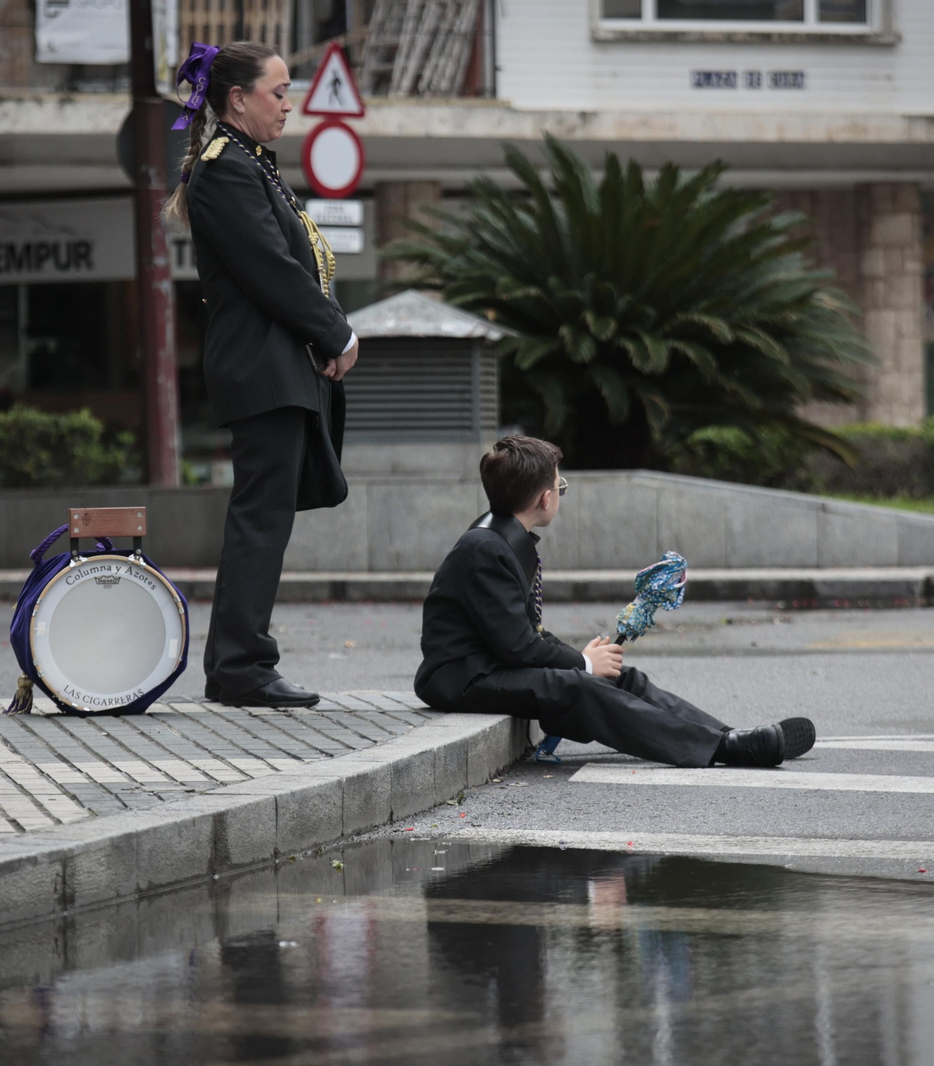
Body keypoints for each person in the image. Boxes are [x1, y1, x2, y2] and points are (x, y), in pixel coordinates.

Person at [415, 436, 816, 767]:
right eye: (560, 487)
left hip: (491, 665)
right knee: (579, 686)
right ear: (544, 499)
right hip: (462, 679)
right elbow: (518, 646)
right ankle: (722, 750)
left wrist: (585, 660)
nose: (560, 493)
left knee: (622, 677)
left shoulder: (499, 537)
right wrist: (583, 665)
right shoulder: (485, 548)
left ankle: (727, 735)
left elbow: (524, 634)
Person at [164, 42, 359, 709]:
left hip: (279, 366)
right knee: (260, 517)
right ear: (239, 98)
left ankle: (241, 662)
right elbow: (272, 269)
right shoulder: (225, 170)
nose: (289, 104)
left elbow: (291, 263)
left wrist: (321, 335)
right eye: (279, 92)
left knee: (267, 515)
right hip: (262, 367)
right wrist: (335, 332)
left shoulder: (249, 165)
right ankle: (241, 667)